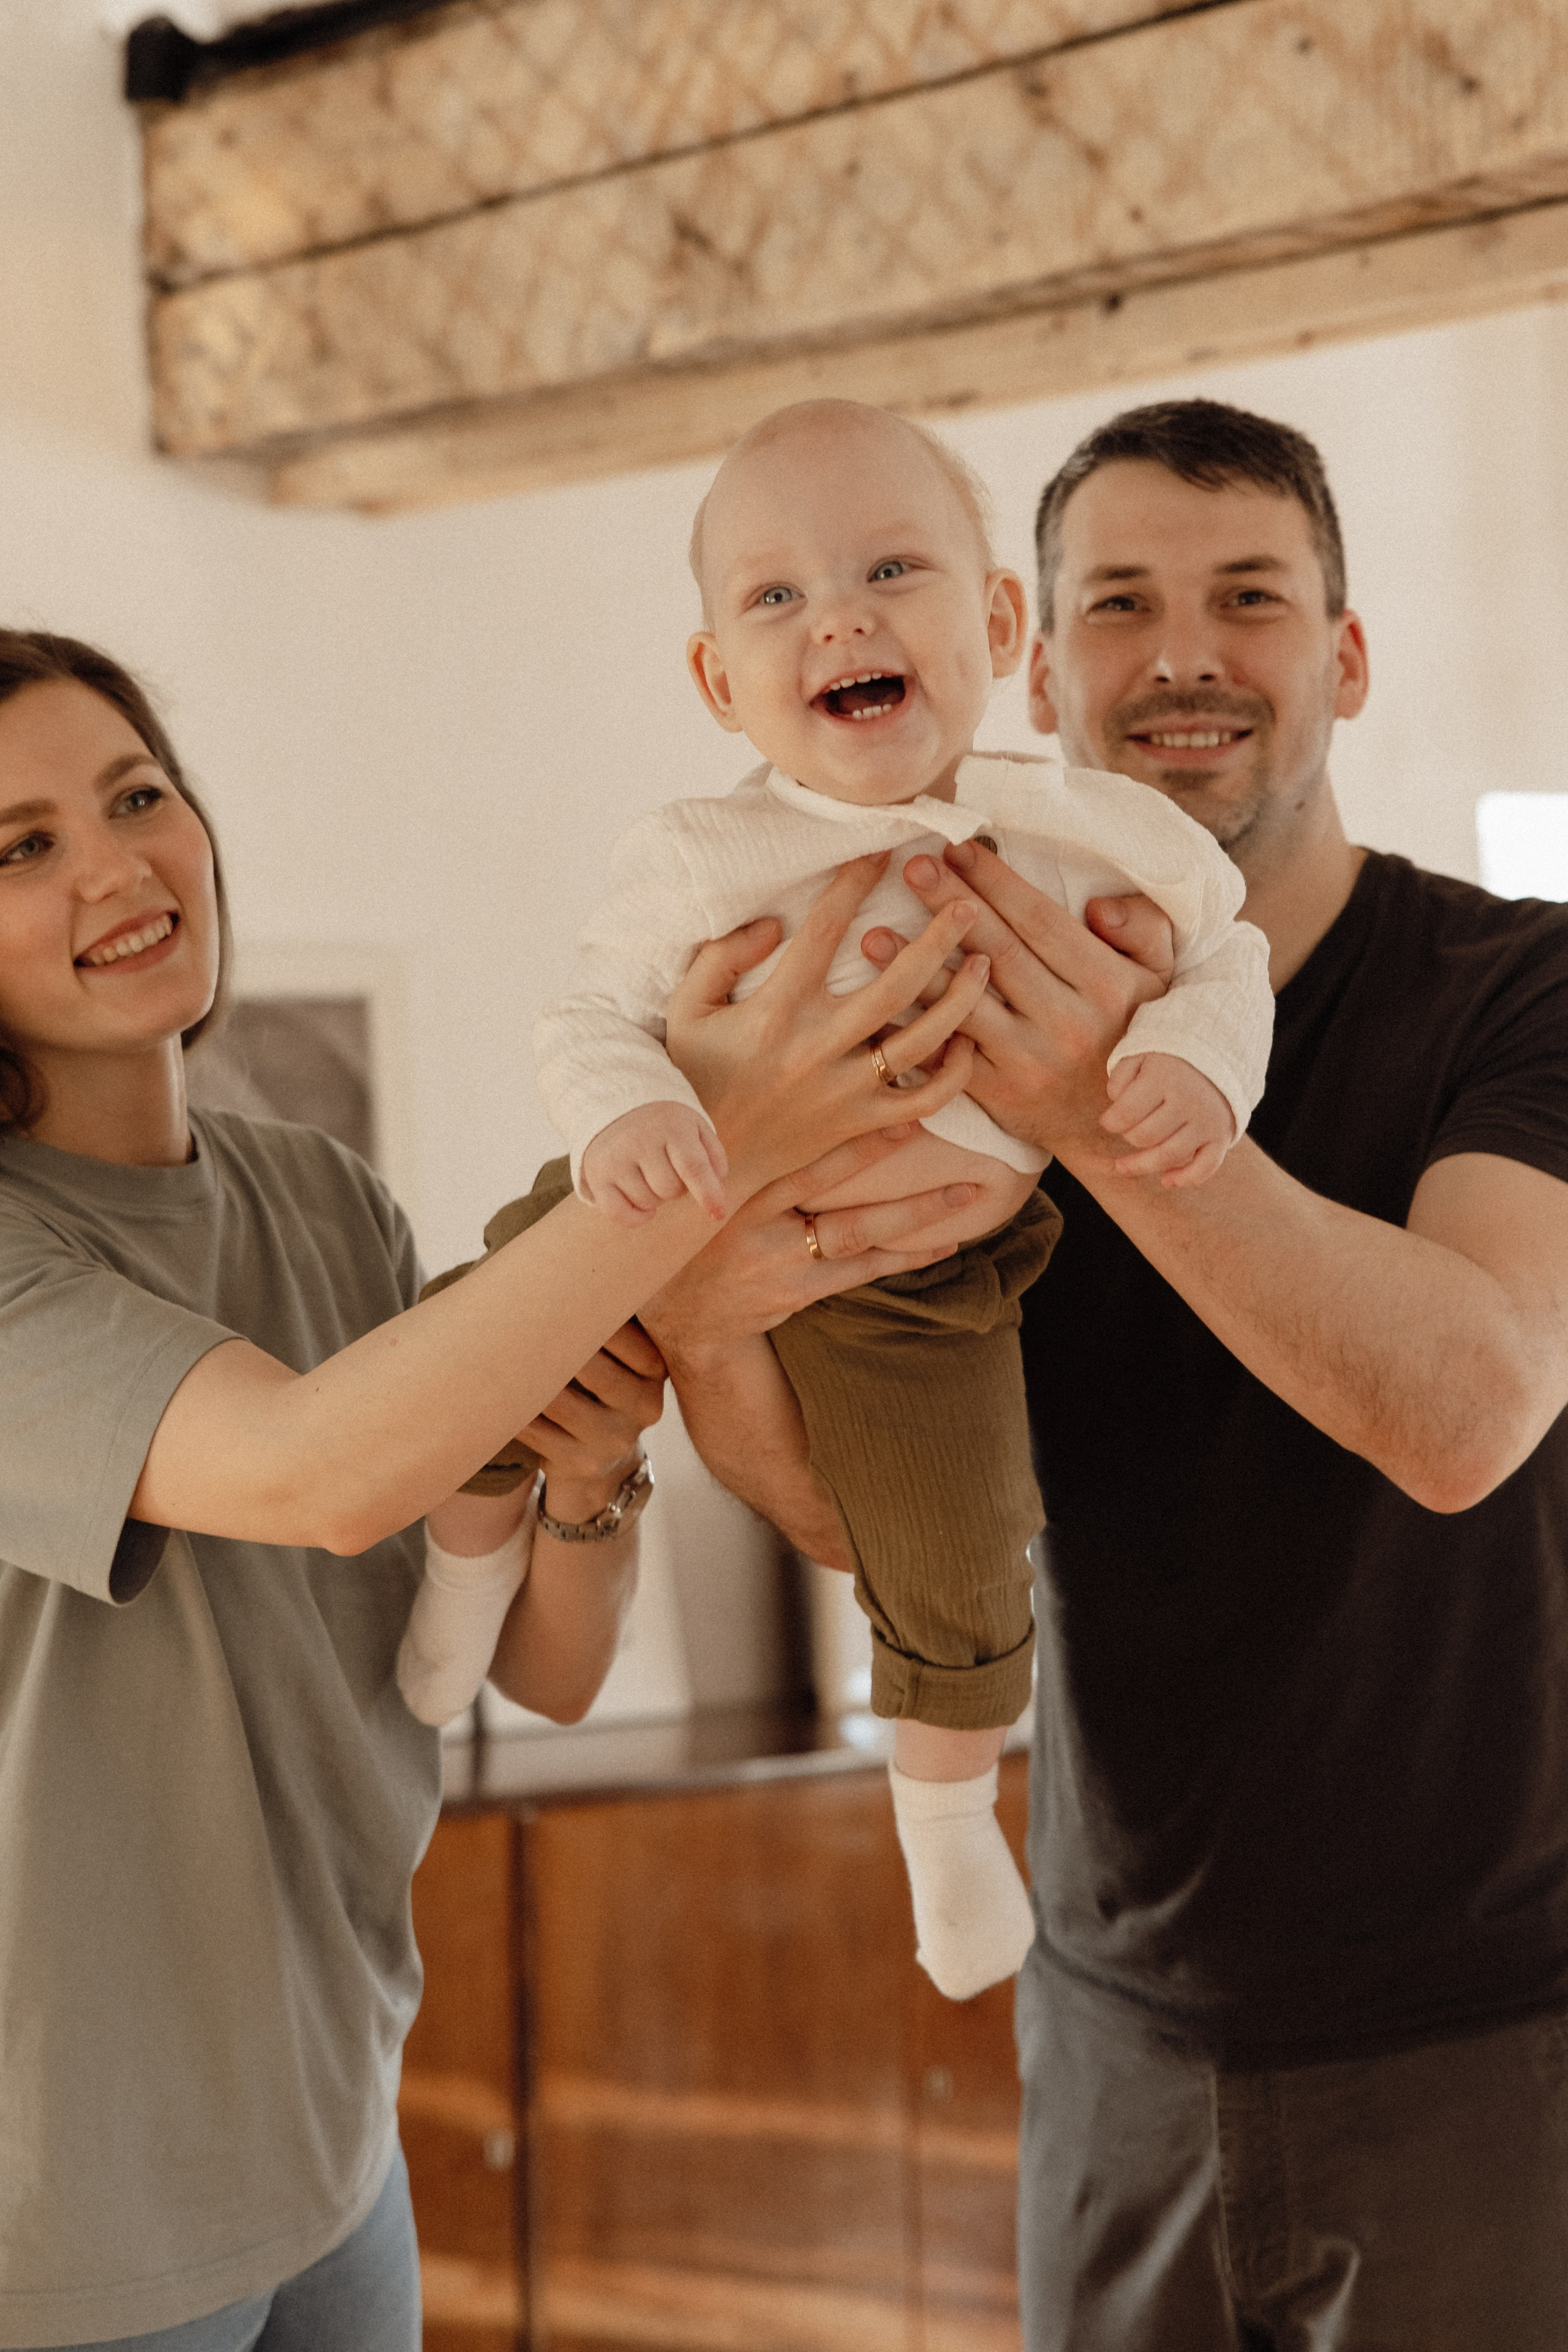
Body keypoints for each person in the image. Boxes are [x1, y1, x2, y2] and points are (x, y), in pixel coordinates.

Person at [638, 398, 1568, 2349]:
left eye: (1254, 598)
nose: (1187, 658)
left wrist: (1100, 1105)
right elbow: (865, 1509)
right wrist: (710, 1299)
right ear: (1031, 661)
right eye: (1122, 605)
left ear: (1348, 656)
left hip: (1496, 2032)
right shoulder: (928, 1001)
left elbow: (1470, 1411)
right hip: (1110, 2028)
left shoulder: (1523, 986)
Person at [0, 630, 986, 2352]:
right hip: (71, 2221)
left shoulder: (319, 1200)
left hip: (336, 2144)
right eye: (21, 848)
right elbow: (317, 1473)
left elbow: (533, 1672)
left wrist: (588, 1473)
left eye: (137, 795)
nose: (118, 864)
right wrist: (713, 1141)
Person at [448, 398, 1272, 2003]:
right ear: (717, 683)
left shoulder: (1090, 829)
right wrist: (629, 1119)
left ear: (995, 622)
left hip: (927, 1272)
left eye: (893, 568)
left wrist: (1198, 1067)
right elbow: (589, 1018)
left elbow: (1220, 952)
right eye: (775, 598)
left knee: (970, 1539)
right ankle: (462, 1570)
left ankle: (945, 1817)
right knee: (479, 1328)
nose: (839, 615)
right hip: (676, 1195)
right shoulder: (703, 851)